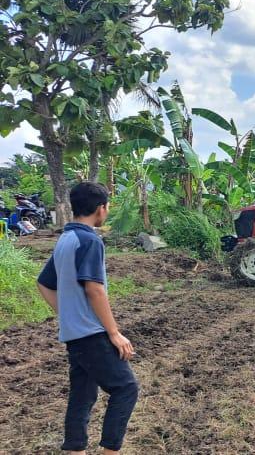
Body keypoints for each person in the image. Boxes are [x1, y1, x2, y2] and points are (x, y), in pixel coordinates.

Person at [36, 182, 138, 455]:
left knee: (82, 393)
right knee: (126, 388)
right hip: (91, 333)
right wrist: (114, 333)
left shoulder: (65, 239)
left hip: (74, 334)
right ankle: (110, 451)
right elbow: (94, 288)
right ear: (101, 209)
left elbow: (44, 284)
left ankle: (75, 449)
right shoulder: (90, 240)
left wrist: (68, 314)